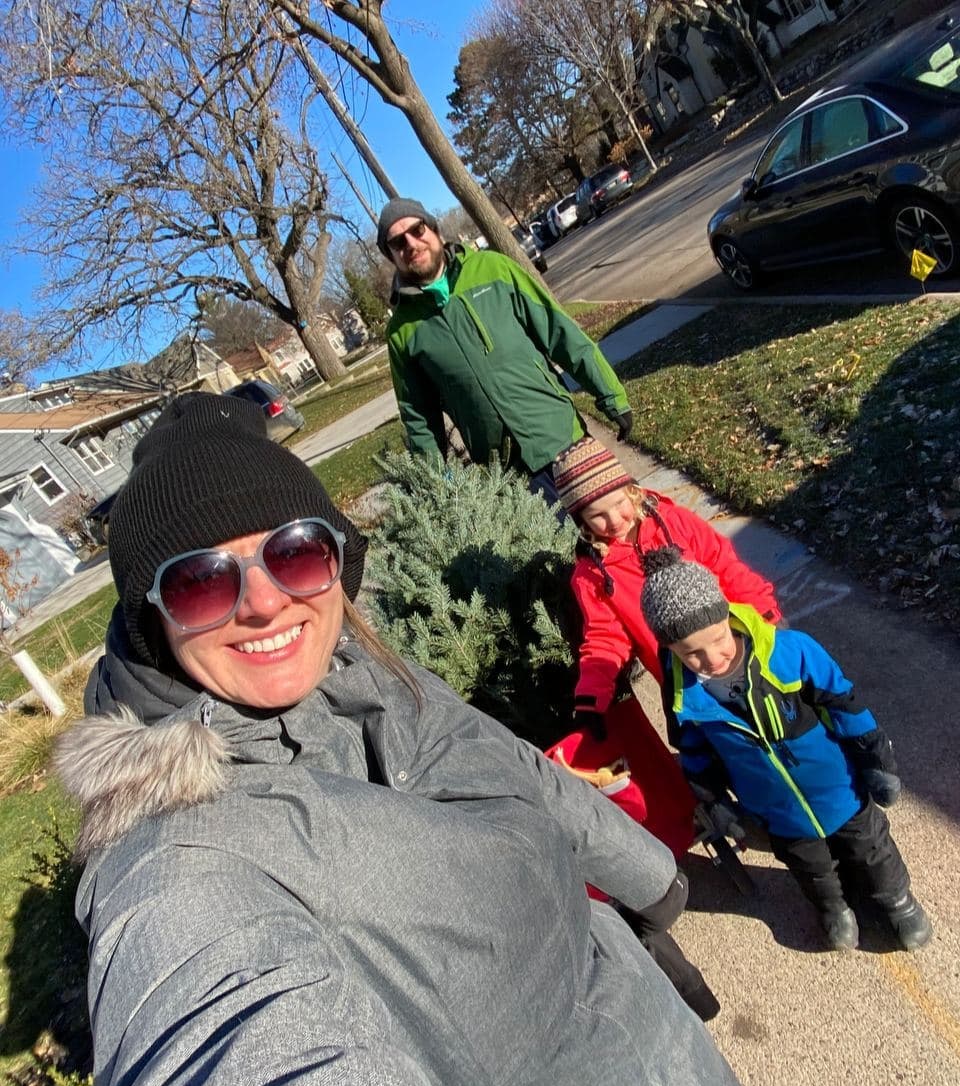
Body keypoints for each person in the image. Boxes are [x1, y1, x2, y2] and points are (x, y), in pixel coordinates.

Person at [55, 392, 826, 1086]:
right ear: (152, 618)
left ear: (335, 559)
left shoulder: (369, 677)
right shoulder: (184, 862)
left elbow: (518, 770)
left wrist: (653, 883)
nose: (265, 603)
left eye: (295, 552)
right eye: (201, 579)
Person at [641, 544, 933, 953]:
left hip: (839, 788)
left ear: (728, 616)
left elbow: (842, 701)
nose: (712, 658)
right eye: (692, 653)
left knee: (871, 849)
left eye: (718, 638)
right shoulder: (682, 698)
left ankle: (897, 902)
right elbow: (695, 755)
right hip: (777, 809)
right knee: (811, 866)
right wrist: (719, 806)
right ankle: (833, 907)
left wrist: (875, 756)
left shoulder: (790, 652)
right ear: (670, 650)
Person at [549, 436, 782, 858]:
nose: (613, 521)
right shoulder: (593, 575)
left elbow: (725, 566)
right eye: (595, 516)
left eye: (618, 504)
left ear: (630, 488)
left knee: (772, 729)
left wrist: (762, 611)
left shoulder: (675, 525)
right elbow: (603, 639)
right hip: (684, 683)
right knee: (722, 752)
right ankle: (756, 813)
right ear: (580, 520)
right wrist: (590, 698)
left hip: (734, 652)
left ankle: (795, 806)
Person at [378, 197, 634, 505]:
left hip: (561, 435)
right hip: (506, 471)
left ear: (434, 230)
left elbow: (559, 332)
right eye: (397, 241)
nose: (411, 243)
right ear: (391, 255)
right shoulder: (402, 331)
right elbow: (419, 417)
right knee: (559, 552)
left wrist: (611, 395)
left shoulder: (493, 268)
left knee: (615, 525)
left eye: (417, 230)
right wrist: (434, 483)